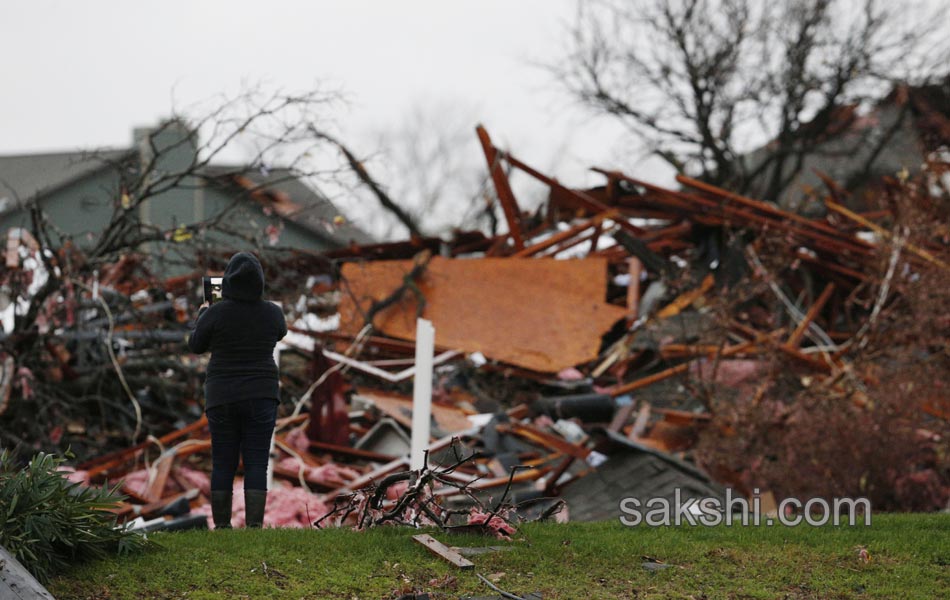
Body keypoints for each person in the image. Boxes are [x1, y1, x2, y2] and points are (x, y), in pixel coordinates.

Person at [188, 252, 287, 529]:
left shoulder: (216, 312)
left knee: (223, 463)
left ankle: (222, 527)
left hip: (222, 396)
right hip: (261, 395)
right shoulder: (272, 312)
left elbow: (195, 345)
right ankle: (254, 527)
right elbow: (281, 332)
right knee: (257, 463)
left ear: (228, 281)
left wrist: (202, 314)